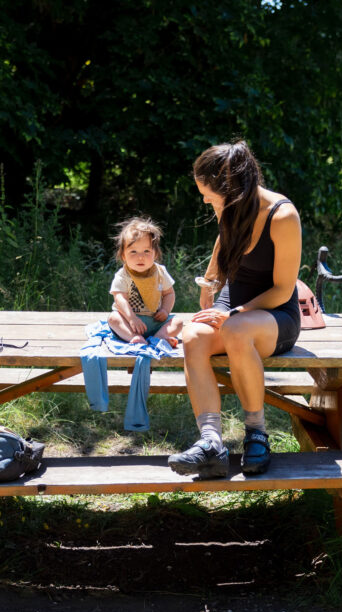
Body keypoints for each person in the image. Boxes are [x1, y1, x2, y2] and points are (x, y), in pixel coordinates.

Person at [168, 141, 302, 479]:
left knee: (236, 331)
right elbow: (223, 238)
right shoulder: (232, 207)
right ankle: (211, 444)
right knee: (193, 335)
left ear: (233, 191)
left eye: (209, 195)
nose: (204, 200)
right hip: (233, 306)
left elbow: (283, 289)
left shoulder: (282, 215)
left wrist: (235, 313)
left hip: (274, 313)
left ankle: (256, 433)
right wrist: (210, 282)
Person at [108, 217, 184, 346]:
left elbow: (169, 293)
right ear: (123, 256)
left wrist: (165, 311)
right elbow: (120, 299)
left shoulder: (160, 272)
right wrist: (132, 319)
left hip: (155, 321)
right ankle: (134, 338)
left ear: (155, 254)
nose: (141, 257)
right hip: (130, 321)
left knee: (178, 322)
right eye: (133, 251)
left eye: (147, 251)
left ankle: (159, 337)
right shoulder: (123, 275)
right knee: (113, 319)